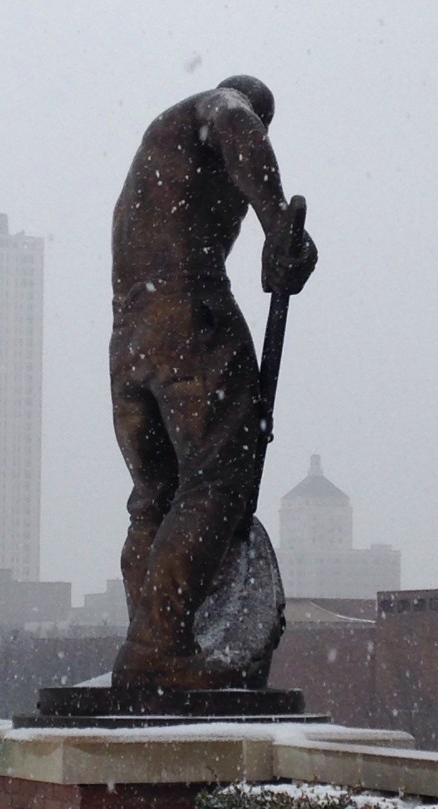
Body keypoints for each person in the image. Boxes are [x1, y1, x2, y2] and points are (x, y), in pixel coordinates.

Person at [110, 75, 317, 690]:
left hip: (130, 338)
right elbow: (233, 120)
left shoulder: (157, 159)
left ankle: (146, 644)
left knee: (156, 497)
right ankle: (159, 644)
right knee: (218, 482)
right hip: (187, 320)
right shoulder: (218, 111)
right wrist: (278, 222)